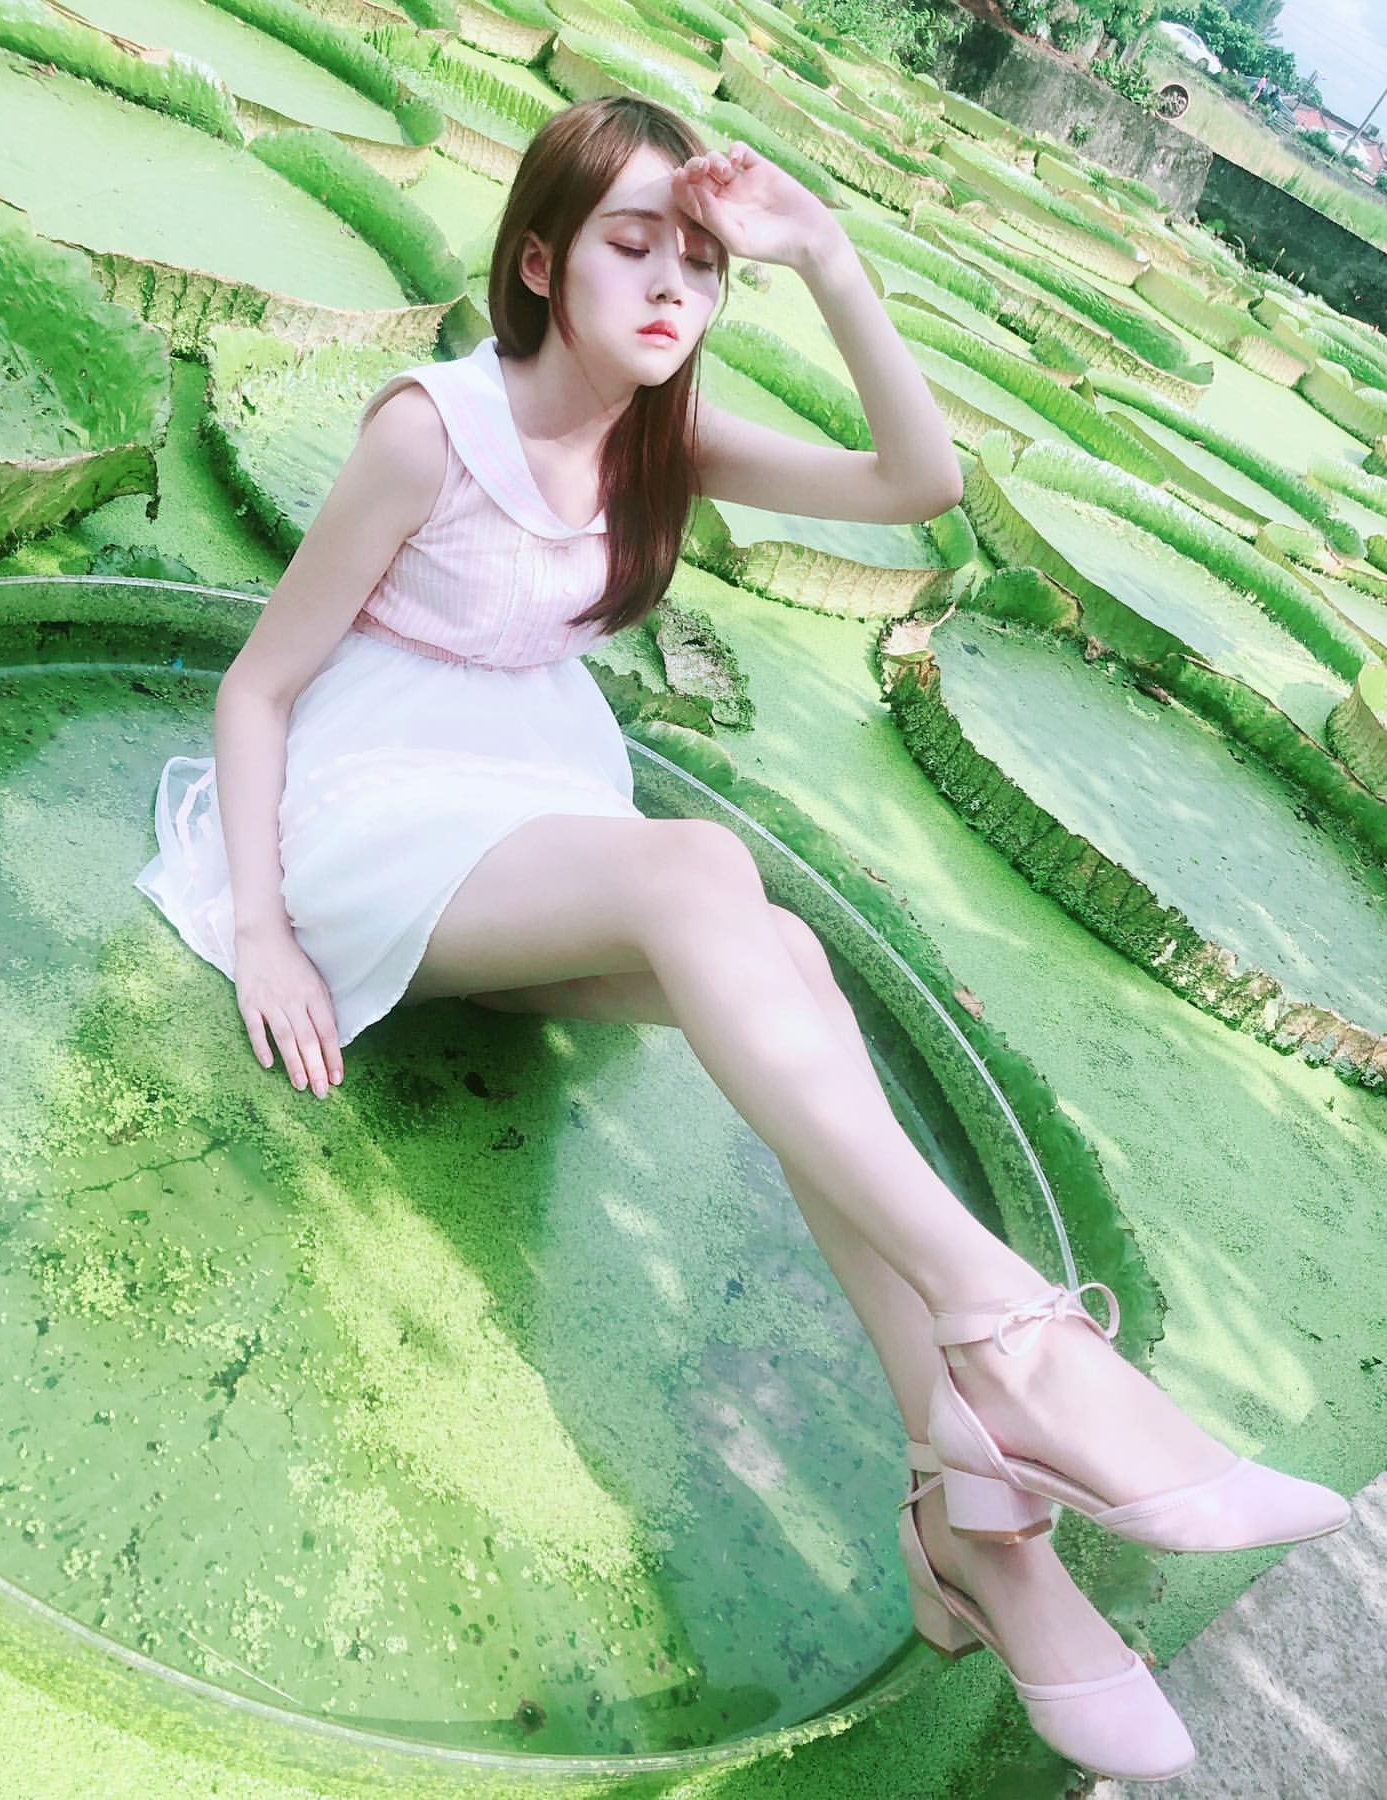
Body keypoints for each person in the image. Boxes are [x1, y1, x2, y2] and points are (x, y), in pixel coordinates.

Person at [133, 95, 1349, 1781]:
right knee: (707, 871)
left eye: (700, 264)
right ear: (541, 262)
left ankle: (980, 1522)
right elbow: (262, 686)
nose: (671, 287)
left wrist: (828, 257)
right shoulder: (431, 432)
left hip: (524, 807)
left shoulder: (665, 442)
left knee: (784, 958)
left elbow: (921, 485)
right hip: (362, 813)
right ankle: (1018, 1344)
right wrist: (263, 926)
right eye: (632, 246)